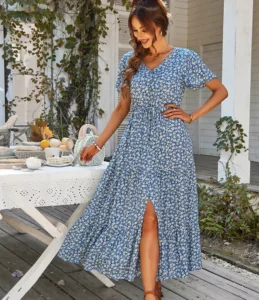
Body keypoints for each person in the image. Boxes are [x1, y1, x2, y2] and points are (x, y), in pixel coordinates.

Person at [57, 0, 228, 299]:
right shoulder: (130, 62)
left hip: (171, 147)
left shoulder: (184, 58)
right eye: (134, 31)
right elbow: (122, 109)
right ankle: (152, 291)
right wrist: (98, 143)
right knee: (144, 216)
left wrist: (191, 116)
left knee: (159, 216)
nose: (138, 37)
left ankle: (152, 287)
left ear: (159, 26)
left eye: (143, 30)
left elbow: (220, 90)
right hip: (136, 146)